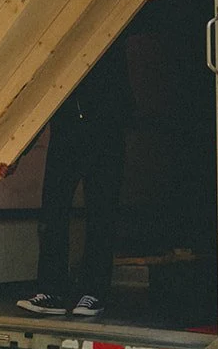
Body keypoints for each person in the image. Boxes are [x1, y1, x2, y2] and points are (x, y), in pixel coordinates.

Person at [8, 36, 132, 318]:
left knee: (101, 212)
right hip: (67, 131)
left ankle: (94, 292)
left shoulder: (109, 29)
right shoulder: (58, 36)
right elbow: (40, 102)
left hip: (105, 127)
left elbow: (141, 12)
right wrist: (16, 153)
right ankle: (52, 290)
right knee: (53, 210)